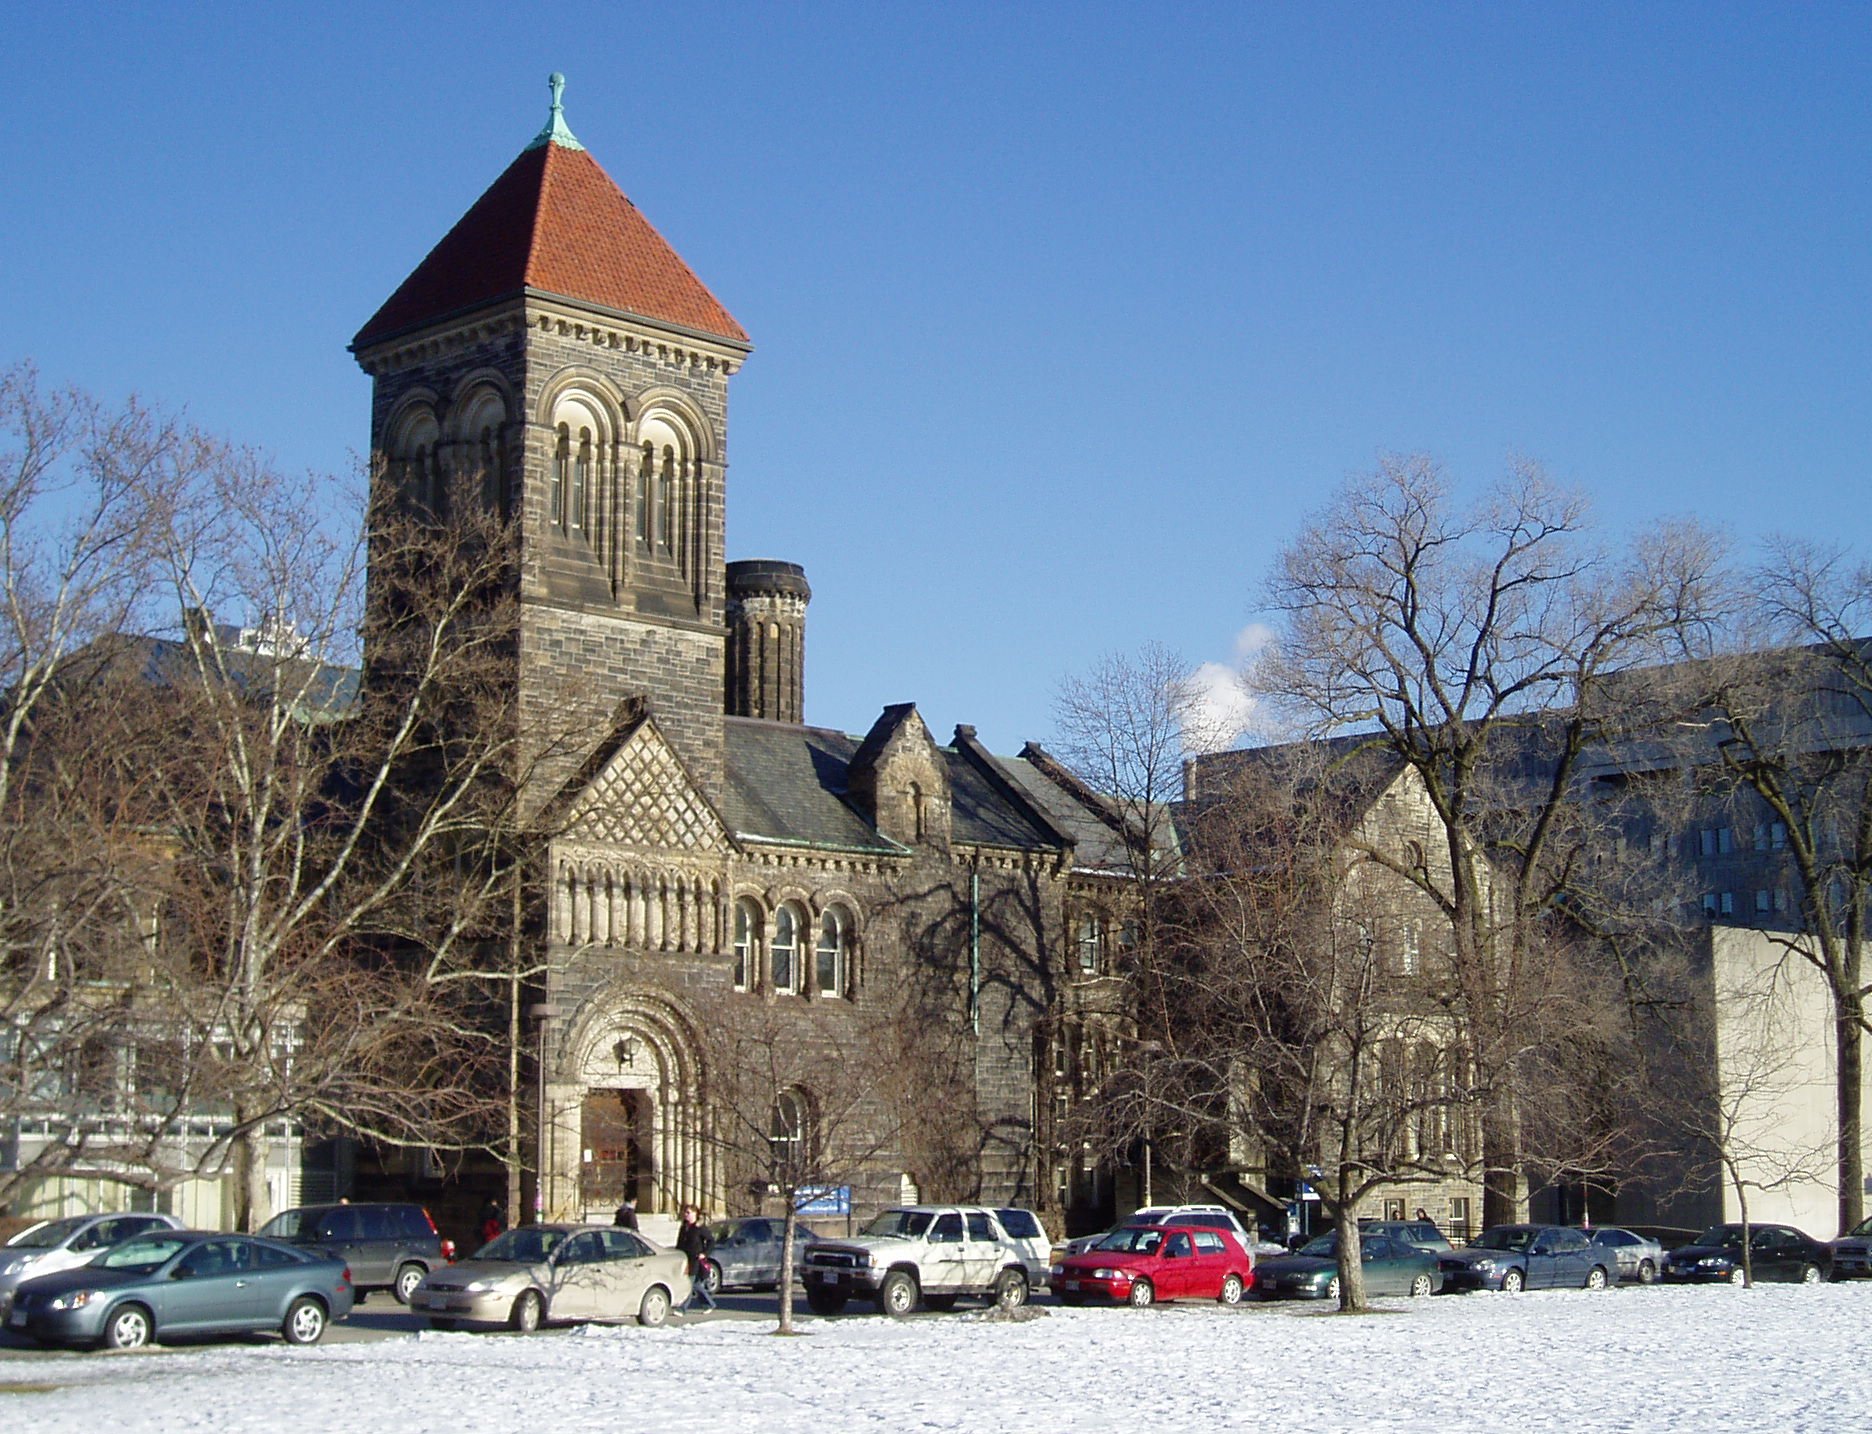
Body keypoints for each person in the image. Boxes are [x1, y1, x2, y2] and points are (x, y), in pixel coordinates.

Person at [676, 1205, 716, 1312]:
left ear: (695, 1214)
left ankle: (682, 1308)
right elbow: (679, 1243)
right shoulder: (684, 1227)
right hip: (685, 1259)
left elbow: (711, 1241)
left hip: (695, 1260)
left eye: (688, 1212)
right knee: (696, 1285)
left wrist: (704, 1253)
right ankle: (709, 1304)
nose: (686, 1215)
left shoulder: (699, 1227)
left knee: (688, 1284)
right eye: (685, 1212)